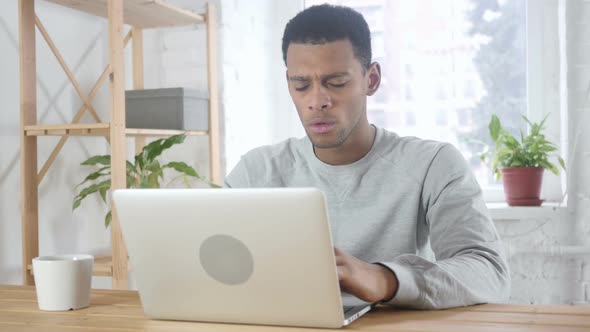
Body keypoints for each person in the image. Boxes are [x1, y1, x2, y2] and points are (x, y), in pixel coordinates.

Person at [224, 4, 510, 309]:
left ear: (371, 80)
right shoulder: (255, 172)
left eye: (337, 83)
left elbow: (489, 273)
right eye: (301, 85)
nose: (317, 101)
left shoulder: (432, 164)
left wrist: (385, 278)